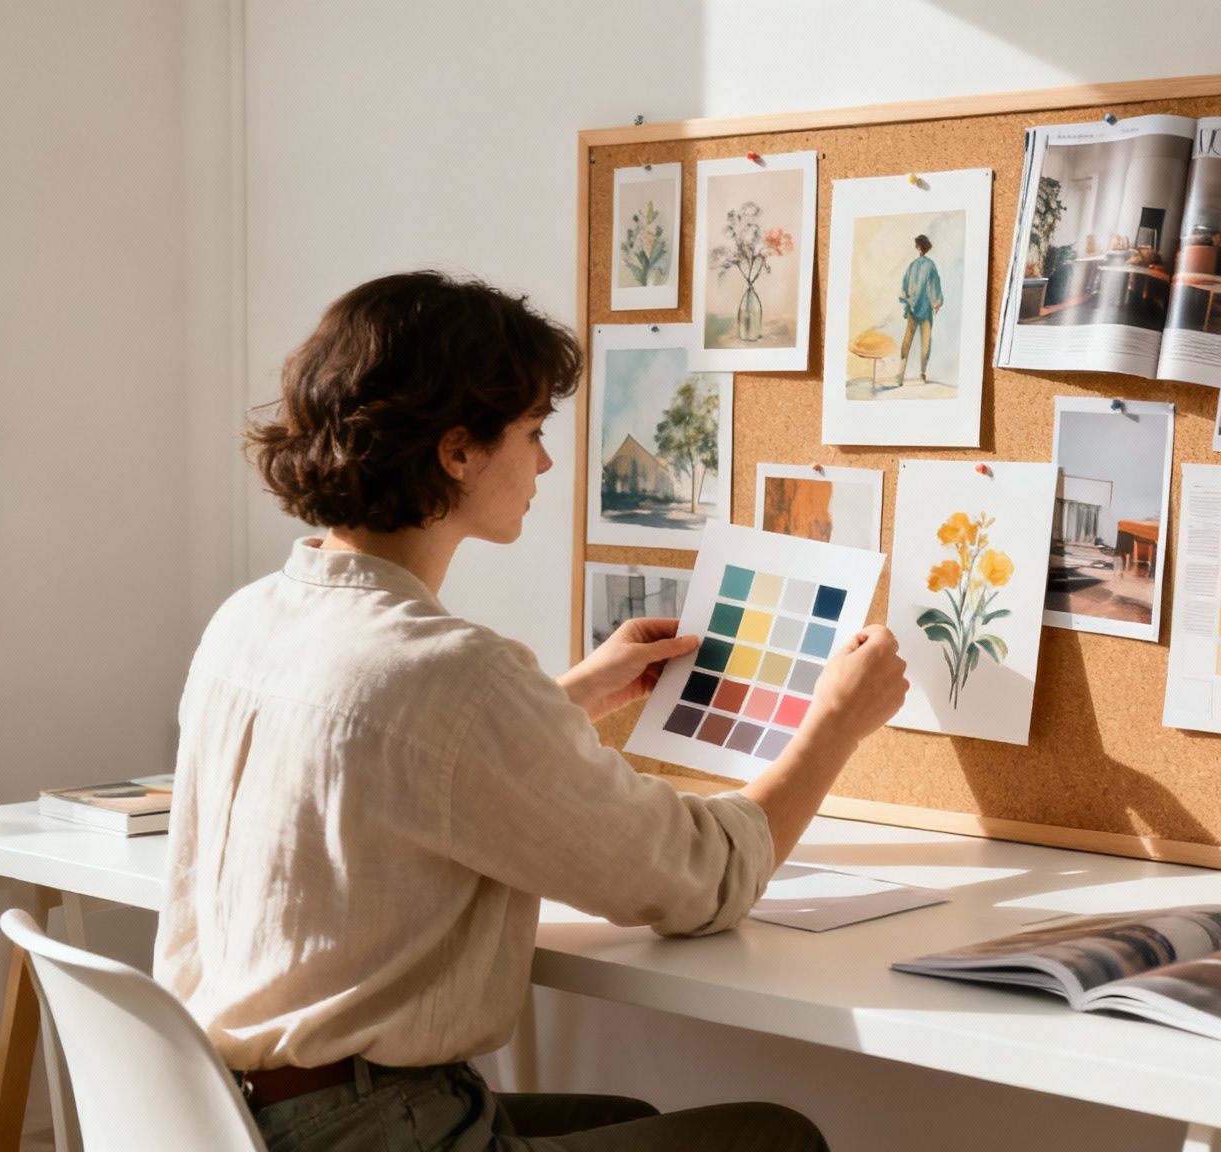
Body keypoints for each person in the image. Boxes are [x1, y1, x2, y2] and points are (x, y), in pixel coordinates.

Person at [152, 270, 909, 1151]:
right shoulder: (453, 675)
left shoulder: (251, 617)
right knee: (770, 1136)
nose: (546, 461)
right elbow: (701, 881)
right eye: (533, 430)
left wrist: (574, 695)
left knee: (625, 1122)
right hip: (368, 1128)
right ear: (458, 451)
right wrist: (835, 725)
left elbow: (388, 757)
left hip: (223, 1110)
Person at [894, 234, 944, 386]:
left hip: (913, 310)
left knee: (907, 341)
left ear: (918, 247)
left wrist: (908, 301)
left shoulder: (913, 265)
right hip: (926, 311)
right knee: (925, 343)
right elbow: (935, 287)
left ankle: (900, 374)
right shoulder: (931, 266)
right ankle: (922, 374)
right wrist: (937, 302)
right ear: (927, 247)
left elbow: (904, 287)